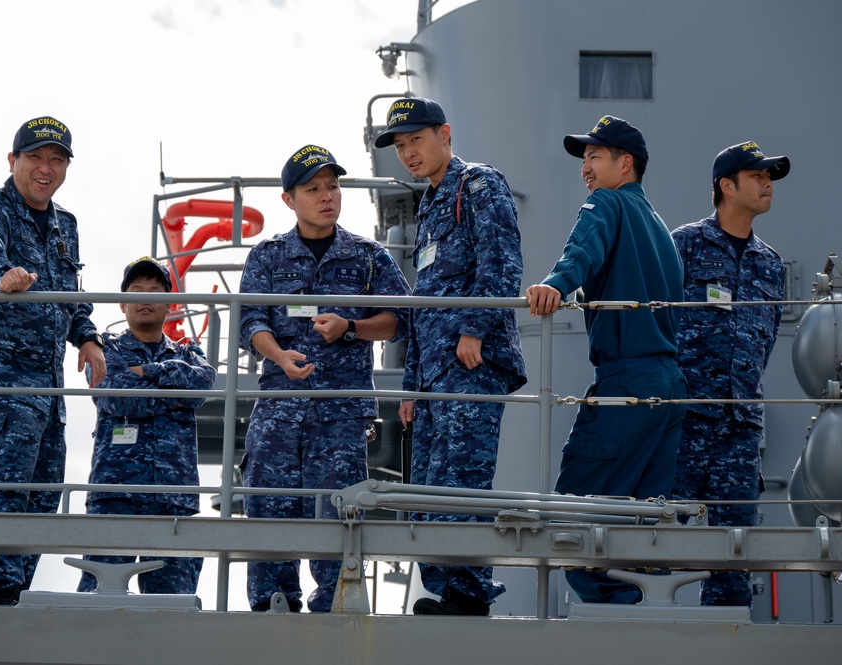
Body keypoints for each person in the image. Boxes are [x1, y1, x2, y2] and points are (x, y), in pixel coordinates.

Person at [238, 144, 411, 613]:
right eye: (313, 188)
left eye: (332, 186)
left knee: (339, 515)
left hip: (341, 414)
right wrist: (278, 355)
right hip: (279, 409)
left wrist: (351, 327)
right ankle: (272, 608)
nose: (327, 196)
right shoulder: (268, 257)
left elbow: (402, 318)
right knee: (269, 511)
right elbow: (250, 321)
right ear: (289, 199)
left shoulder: (369, 256)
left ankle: (336, 610)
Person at [374, 97, 527, 616]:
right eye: (399, 146)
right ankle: (449, 589)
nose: (408, 153)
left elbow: (502, 262)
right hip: (435, 374)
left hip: (471, 364)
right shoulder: (432, 202)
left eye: (416, 139)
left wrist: (475, 331)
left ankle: (470, 593)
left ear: (445, 134)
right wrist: (411, 384)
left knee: (463, 482)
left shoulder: (478, 185)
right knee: (431, 489)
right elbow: (423, 301)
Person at [526, 115, 686, 604]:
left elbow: (583, 251)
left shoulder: (607, 202)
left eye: (594, 156)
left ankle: (607, 615)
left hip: (628, 382)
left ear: (625, 163)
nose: (586, 169)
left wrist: (554, 284)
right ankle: (647, 612)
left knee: (576, 504)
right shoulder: (660, 227)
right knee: (644, 516)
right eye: (584, 159)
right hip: (669, 386)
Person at [0, 115, 106, 606]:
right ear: (12, 161)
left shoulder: (66, 225)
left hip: (46, 389)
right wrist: (2, 278)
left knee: (41, 497)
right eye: (36, 157)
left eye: (56, 159)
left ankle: (12, 596)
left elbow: (71, 293)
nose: (46, 168)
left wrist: (86, 337)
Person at [670, 142, 789, 607]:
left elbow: (766, 339)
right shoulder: (684, 245)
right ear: (726, 186)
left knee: (734, 551)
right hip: (684, 417)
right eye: (758, 176)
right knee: (657, 538)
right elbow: (656, 320)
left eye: (770, 177)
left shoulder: (770, 263)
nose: (767, 184)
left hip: (740, 429)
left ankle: (726, 641)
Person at [76, 257, 215, 595]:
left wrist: (149, 373)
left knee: (172, 607)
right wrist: (174, 392)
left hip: (175, 498)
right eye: (136, 291)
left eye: (155, 291)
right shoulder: (104, 349)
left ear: (170, 303)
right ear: (122, 302)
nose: (145, 299)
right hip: (115, 496)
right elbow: (119, 399)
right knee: (96, 605)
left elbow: (203, 383)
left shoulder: (188, 351)